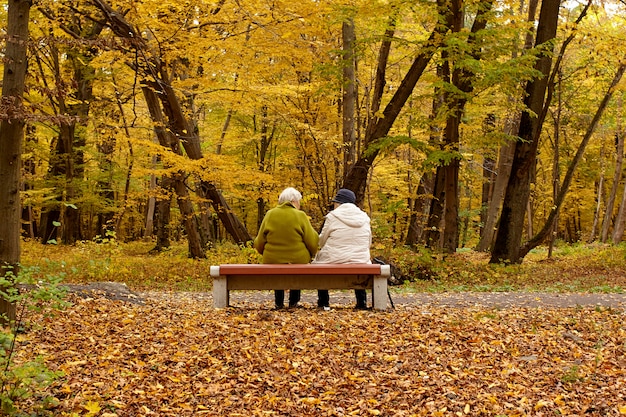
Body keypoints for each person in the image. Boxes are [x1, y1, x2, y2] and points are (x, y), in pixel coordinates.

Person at [254, 187, 319, 309]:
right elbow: (312, 241)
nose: (299, 204)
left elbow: (259, 242)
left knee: (278, 268)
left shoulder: (270, 214)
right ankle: (293, 302)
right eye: (298, 201)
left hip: (272, 261)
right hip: (298, 261)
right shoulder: (300, 216)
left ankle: (279, 302)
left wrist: (266, 252)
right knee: (297, 266)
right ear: (293, 201)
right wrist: (311, 253)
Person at [313, 188, 372, 310]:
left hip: (334, 259)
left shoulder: (332, 217)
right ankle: (362, 302)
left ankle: (324, 302)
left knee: (319, 262)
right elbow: (368, 242)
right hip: (360, 260)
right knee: (360, 261)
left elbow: (321, 241)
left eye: (335, 202)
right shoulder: (364, 218)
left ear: (339, 203)